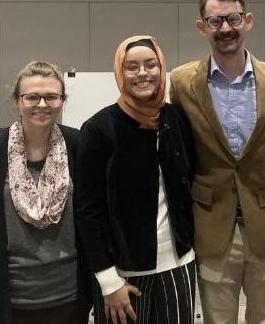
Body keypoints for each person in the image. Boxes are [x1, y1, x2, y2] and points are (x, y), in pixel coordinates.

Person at [170, 0, 265, 324]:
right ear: (202, 27)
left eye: (233, 18)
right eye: (215, 21)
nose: (225, 28)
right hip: (212, 225)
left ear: (248, 21)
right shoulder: (182, 83)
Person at [0, 61, 93, 324]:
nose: (42, 104)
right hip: (6, 294)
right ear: (17, 101)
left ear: (62, 100)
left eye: (51, 97)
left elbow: (90, 209)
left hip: (68, 293)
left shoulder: (77, 145)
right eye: (31, 97)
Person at [75, 35, 196, 324]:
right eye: (132, 67)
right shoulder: (98, 129)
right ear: (120, 72)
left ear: (161, 67)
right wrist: (107, 280)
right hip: (122, 275)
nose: (143, 73)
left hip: (179, 265)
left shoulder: (176, 119)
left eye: (150, 65)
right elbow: (87, 210)